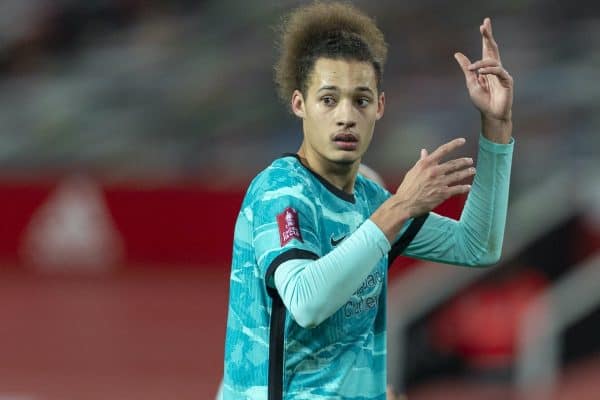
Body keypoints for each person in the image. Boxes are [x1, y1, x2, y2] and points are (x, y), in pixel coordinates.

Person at [221, 2, 514, 399]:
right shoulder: (279, 191)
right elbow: (306, 303)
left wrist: (495, 126)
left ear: (379, 106)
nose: (346, 116)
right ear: (299, 104)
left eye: (360, 100)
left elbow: (477, 245)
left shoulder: (370, 199)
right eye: (328, 99)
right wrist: (400, 207)